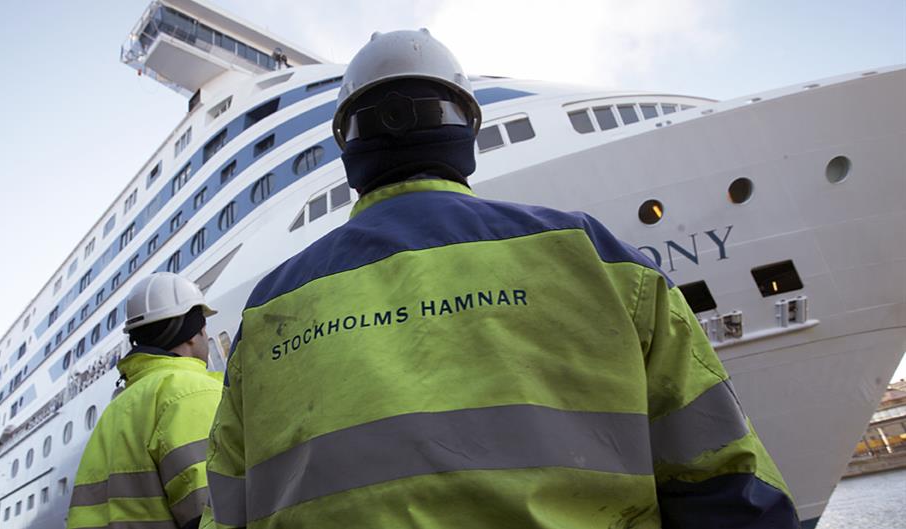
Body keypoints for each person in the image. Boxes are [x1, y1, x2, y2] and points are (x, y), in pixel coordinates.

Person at [203, 30, 799, 528]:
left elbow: (227, 511)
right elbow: (724, 476)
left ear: (349, 147)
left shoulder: (266, 314)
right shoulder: (593, 257)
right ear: (466, 127)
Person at [67, 272, 222, 529]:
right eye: (204, 327)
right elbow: (212, 511)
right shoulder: (191, 391)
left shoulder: (114, 412)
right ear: (193, 334)